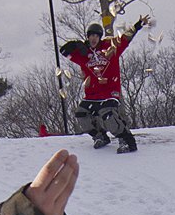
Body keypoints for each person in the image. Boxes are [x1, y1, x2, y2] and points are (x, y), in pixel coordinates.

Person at [60, 17, 150, 152]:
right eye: (91, 36)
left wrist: (138, 25)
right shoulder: (83, 54)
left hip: (110, 92)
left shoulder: (110, 46)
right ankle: (100, 136)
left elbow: (126, 38)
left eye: (96, 36)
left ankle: (127, 140)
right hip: (92, 95)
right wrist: (74, 44)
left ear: (100, 37)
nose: (94, 39)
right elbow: (64, 51)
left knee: (108, 116)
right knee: (81, 114)